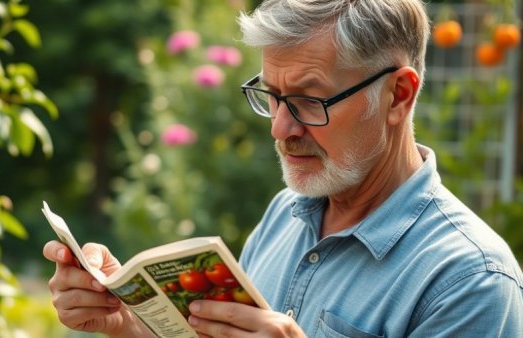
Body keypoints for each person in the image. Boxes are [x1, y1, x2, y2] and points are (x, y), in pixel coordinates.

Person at [43, 0, 523, 337]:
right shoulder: (286, 213)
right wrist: (124, 322)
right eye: (272, 97)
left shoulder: (470, 280)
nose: (280, 128)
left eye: (308, 100)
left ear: (398, 95)